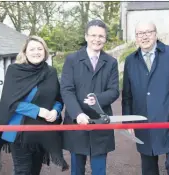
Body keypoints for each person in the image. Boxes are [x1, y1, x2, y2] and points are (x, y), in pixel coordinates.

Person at [0, 36, 68, 175]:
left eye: (40, 48)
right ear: (25, 52)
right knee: (22, 171)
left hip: (41, 132)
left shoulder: (50, 72)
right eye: (32, 49)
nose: (36, 52)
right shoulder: (14, 71)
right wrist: (37, 111)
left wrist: (55, 111)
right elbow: (10, 102)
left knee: (35, 171)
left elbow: (58, 98)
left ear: (45, 51)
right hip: (19, 132)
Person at [122, 21, 169, 175]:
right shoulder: (130, 60)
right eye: (140, 34)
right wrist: (128, 120)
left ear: (155, 33)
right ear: (136, 37)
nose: (144, 37)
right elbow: (127, 95)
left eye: (148, 32)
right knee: (148, 168)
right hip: (143, 122)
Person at [60, 19, 120, 175]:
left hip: (100, 121)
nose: (97, 39)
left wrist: (97, 99)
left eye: (101, 36)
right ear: (86, 36)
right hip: (77, 122)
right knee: (77, 170)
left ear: (105, 39)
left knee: (99, 170)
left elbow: (114, 91)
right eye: (93, 35)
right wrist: (77, 113)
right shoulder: (72, 60)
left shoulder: (111, 62)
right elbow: (66, 89)